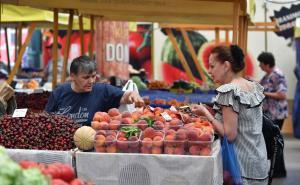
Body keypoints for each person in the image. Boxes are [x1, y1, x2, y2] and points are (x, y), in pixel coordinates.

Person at [192, 45, 268, 184]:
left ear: (226, 65)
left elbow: (229, 135)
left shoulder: (229, 90)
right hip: (258, 161)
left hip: (241, 167)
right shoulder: (251, 85)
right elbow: (243, 121)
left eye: (212, 66)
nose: (209, 71)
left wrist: (206, 114)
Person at [45, 55, 144, 126]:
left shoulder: (102, 90)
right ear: (72, 76)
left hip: (94, 145)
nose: (91, 81)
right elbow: (46, 120)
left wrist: (133, 94)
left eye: (93, 76)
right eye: (86, 77)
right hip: (63, 146)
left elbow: (123, 96)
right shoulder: (59, 93)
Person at [257, 51, 288, 178]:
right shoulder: (268, 75)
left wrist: (264, 93)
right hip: (271, 113)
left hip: (277, 114)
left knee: (275, 142)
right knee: (274, 142)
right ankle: (277, 170)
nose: (259, 66)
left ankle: (278, 171)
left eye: (261, 63)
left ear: (267, 64)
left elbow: (282, 95)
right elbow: (261, 85)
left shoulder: (277, 75)